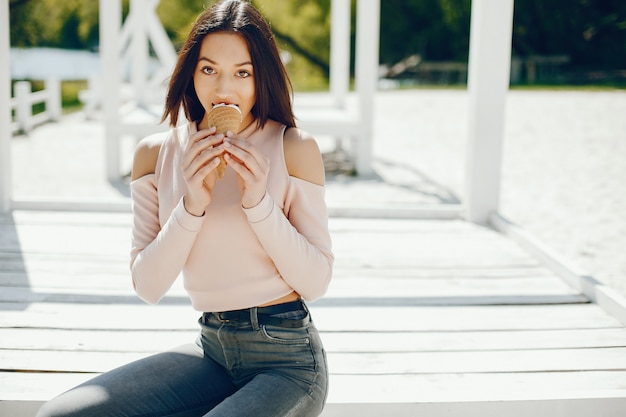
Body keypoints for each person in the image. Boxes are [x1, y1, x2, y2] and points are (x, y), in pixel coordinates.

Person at [36, 1, 333, 416]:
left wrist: (258, 203)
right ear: (190, 72)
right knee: (61, 414)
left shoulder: (293, 147)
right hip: (211, 350)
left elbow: (316, 282)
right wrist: (192, 205)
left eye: (242, 72)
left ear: (261, 77)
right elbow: (148, 286)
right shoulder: (155, 154)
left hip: (288, 362)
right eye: (208, 69)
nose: (223, 89)